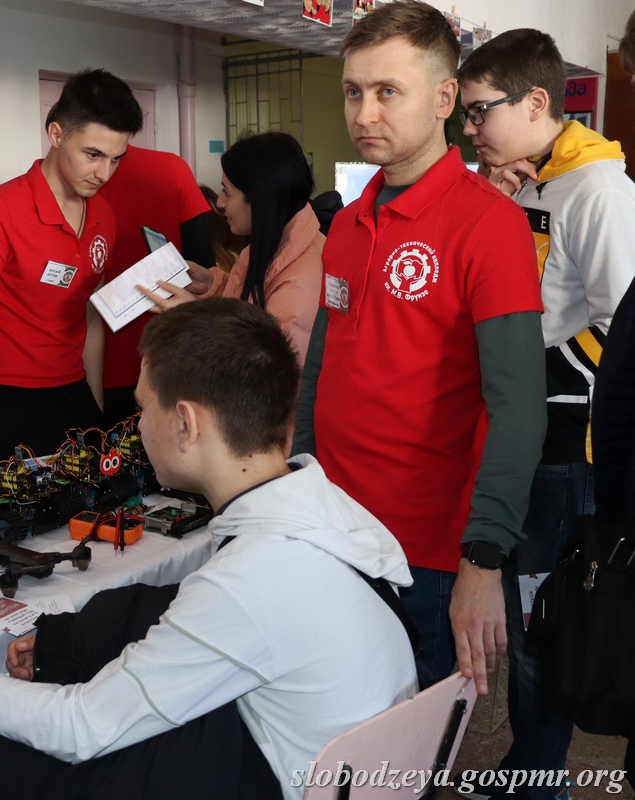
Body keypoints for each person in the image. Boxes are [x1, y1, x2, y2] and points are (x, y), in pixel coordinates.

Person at [0, 298, 418, 800]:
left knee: (20, 765)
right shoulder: (325, 506)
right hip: (333, 763)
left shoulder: (254, 578)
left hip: (285, 777)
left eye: (144, 408)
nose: (138, 425)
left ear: (186, 423)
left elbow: (80, 728)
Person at [291, 0, 547, 696]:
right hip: (336, 526)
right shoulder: (347, 223)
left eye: (387, 92)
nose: (365, 113)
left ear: (442, 99)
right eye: (353, 91)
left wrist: (483, 558)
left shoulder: (489, 225)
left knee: (409, 731)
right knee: (335, 710)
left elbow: (517, 405)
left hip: (426, 552)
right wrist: (300, 481)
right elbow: (323, 366)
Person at [454, 28, 635, 799]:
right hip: (520, 433)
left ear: (535, 102)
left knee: (543, 622)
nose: (470, 128)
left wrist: (534, 374)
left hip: (565, 444)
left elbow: (623, 329)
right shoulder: (530, 181)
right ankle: (528, 768)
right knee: (525, 619)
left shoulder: (599, 192)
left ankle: (538, 781)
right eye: (464, 113)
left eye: (480, 111)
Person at [0, 68, 143, 480]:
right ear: (56, 134)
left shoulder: (104, 215)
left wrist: (95, 407)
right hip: (4, 399)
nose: (104, 173)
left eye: (116, 159)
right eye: (93, 155)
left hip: (72, 394)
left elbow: (90, 316)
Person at [143, 131, 325, 371]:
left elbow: (265, 370)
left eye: (226, 192)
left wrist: (192, 316)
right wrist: (211, 285)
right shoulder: (270, 243)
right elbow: (249, 309)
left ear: (258, 199)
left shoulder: (300, 285)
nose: (219, 203)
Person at [96, 145, 216, 425]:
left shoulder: (72, 175)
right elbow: (202, 268)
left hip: (87, 366)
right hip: (167, 360)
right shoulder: (172, 168)